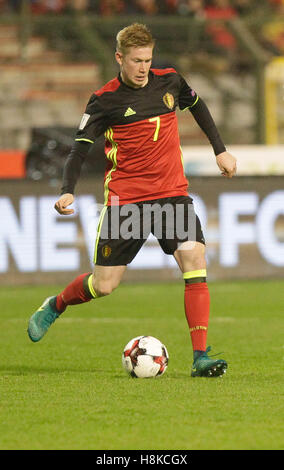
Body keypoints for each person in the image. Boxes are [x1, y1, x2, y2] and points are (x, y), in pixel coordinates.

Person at [27, 23, 237, 378]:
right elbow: (78, 150)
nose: (143, 68)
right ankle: (56, 304)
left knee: (194, 258)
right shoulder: (104, 100)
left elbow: (198, 107)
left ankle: (200, 356)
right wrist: (68, 189)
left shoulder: (169, 81)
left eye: (148, 60)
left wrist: (221, 150)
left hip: (172, 194)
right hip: (127, 202)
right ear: (119, 58)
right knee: (104, 285)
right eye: (137, 60)